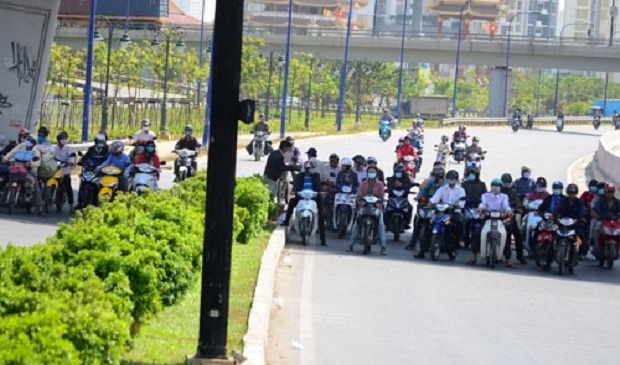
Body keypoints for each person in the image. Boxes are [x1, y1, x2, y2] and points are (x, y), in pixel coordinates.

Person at [419, 170, 465, 259]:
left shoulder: (461, 190)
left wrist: (458, 205)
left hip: (454, 212)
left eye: (452, 179)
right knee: (426, 225)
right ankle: (422, 250)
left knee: (459, 223)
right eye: (449, 178)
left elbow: (462, 201)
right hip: (441, 211)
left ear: (456, 180)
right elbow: (435, 198)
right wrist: (430, 203)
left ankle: (456, 244)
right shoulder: (442, 189)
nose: (450, 180)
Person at [281, 160, 327, 246]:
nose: (313, 170)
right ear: (306, 168)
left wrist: (320, 192)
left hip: (314, 196)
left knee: (321, 215)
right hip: (301, 195)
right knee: (291, 203)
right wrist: (295, 191)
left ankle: (323, 239)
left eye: (314, 168)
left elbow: (318, 186)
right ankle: (286, 220)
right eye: (311, 168)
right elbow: (296, 185)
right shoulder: (299, 176)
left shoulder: (317, 176)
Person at [469, 178, 512, 266]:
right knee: (477, 233)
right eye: (494, 185)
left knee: (506, 235)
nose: (495, 187)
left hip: (500, 218)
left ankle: (508, 260)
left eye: (497, 186)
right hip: (487, 217)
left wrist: (508, 211)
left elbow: (506, 206)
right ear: (491, 186)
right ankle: (473, 256)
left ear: (501, 187)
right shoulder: (485, 195)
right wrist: (480, 208)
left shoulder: (504, 196)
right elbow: (483, 204)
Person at [347, 165, 388, 255]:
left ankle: (383, 246)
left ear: (376, 174)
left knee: (381, 225)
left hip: (375, 207)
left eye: (373, 172)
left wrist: (378, 203)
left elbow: (381, 197)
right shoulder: (363, 184)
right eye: (370, 172)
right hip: (364, 206)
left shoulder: (380, 184)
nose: (371, 174)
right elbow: (359, 195)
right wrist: (361, 202)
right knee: (356, 224)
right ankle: (351, 244)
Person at [2, 135, 44, 215]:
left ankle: (40, 209)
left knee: (35, 187)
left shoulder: (35, 151)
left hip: (29, 172)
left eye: (30, 141)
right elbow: (12, 152)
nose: (28, 142)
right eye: (28, 140)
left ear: (34, 143)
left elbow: (38, 162)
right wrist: (6, 158)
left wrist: (31, 163)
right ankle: (2, 203)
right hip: (17, 170)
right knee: (8, 184)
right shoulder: (21, 146)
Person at [410, 165, 446, 252]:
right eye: (436, 175)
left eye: (439, 175)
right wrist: (419, 197)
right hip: (428, 204)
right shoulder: (430, 182)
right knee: (418, 221)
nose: (437, 177)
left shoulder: (445, 185)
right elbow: (423, 190)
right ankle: (413, 242)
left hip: (439, 206)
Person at [76, 133, 109, 209]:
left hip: (102, 170)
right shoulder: (91, 149)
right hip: (91, 169)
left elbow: (109, 159)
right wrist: (82, 161)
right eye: (99, 141)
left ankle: (103, 201)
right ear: (95, 141)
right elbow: (85, 157)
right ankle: (79, 202)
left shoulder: (107, 149)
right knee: (82, 182)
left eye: (102, 141)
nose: (101, 143)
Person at [556, 183, 586, 267]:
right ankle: (549, 259)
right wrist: (555, 216)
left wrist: (580, 219)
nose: (571, 195)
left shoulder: (579, 202)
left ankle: (581, 254)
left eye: (573, 193)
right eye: (570, 193)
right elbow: (557, 209)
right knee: (553, 236)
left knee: (582, 236)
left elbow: (581, 212)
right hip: (562, 223)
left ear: (576, 193)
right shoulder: (563, 201)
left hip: (574, 224)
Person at [501, 173, 526, 264]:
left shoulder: (513, 192)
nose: (507, 183)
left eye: (508, 182)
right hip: (498, 217)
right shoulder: (498, 192)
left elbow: (518, 203)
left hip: (510, 217)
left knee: (518, 235)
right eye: (505, 181)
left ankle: (520, 256)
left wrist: (517, 209)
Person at [462, 167, 487, 249]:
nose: (471, 175)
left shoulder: (482, 184)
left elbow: (485, 196)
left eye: (473, 174)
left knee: (483, 223)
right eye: (470, 174)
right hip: (467, 207)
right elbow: (460, 195)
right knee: (464, 223)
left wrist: (482, 202)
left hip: (478, 208)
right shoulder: (464, 184)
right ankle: (465, 239)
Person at [52, 131, 76, 213]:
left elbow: (72, 157)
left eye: (65, 138)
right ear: (58, 140)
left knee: (68, 187)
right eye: (63, 138)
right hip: (55, 170)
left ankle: (71, 205)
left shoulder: (69, 149)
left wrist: (70, 162)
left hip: (65, 171)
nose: (64, 140)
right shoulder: (53, 148)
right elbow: (50, 156)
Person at [386, 164, 414, 229]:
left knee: (410, 208)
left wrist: (403, 185)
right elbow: (388, 185)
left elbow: (409, 184)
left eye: (400, 172)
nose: (398, 174)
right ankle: (386, 223)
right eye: (397, 172)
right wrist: (389, 188)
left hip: (403, 199)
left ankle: (407, 223)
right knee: (386, 209)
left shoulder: (406, 178)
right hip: (392, 198)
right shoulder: (392, 178)